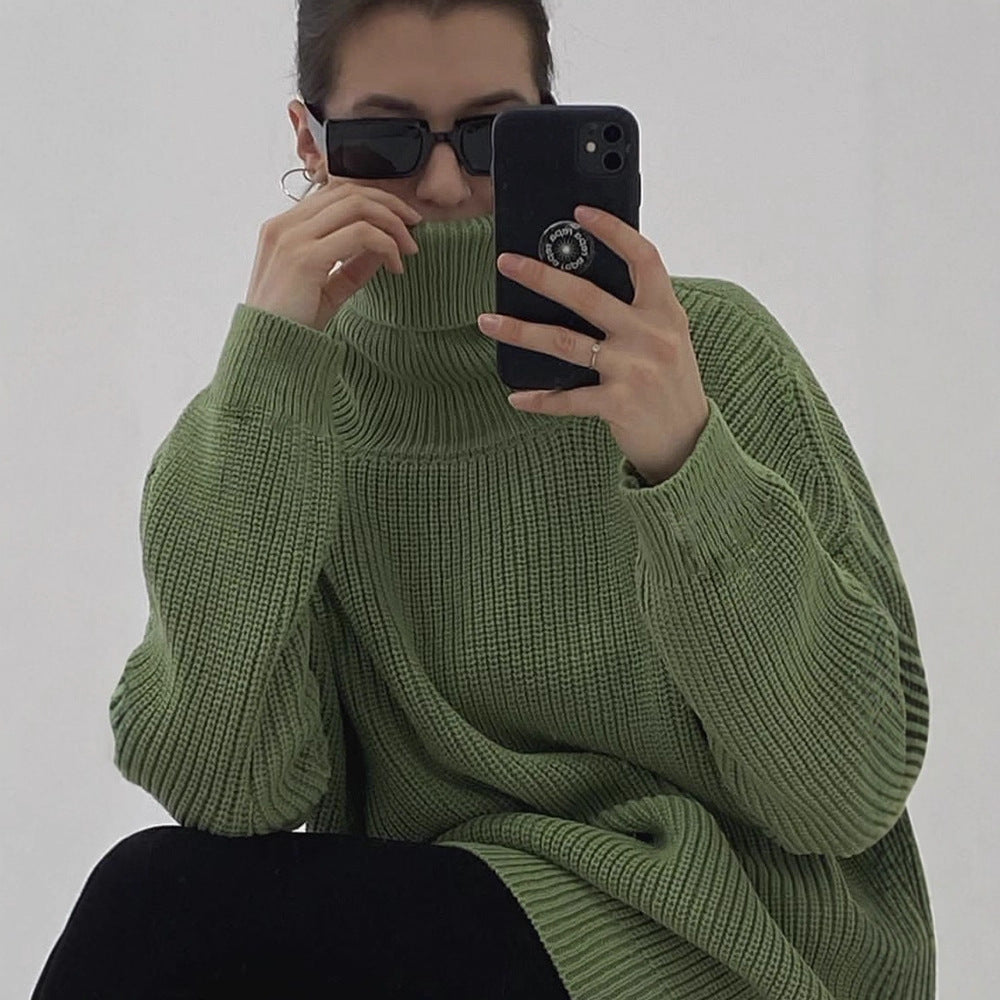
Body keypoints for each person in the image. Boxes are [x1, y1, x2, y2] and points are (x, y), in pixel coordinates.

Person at [31, 1, 937, 998]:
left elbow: (843, 797)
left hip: (728, 941)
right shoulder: (283, 416)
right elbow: (225, 787)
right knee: (156, 892)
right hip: (435, 932)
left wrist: (685, 458)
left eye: (491, 136)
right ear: (310, 141)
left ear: (551, 119)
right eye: (385, 140)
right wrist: (268, 370)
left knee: (153, 907)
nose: (443, 184)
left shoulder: (704, 354)